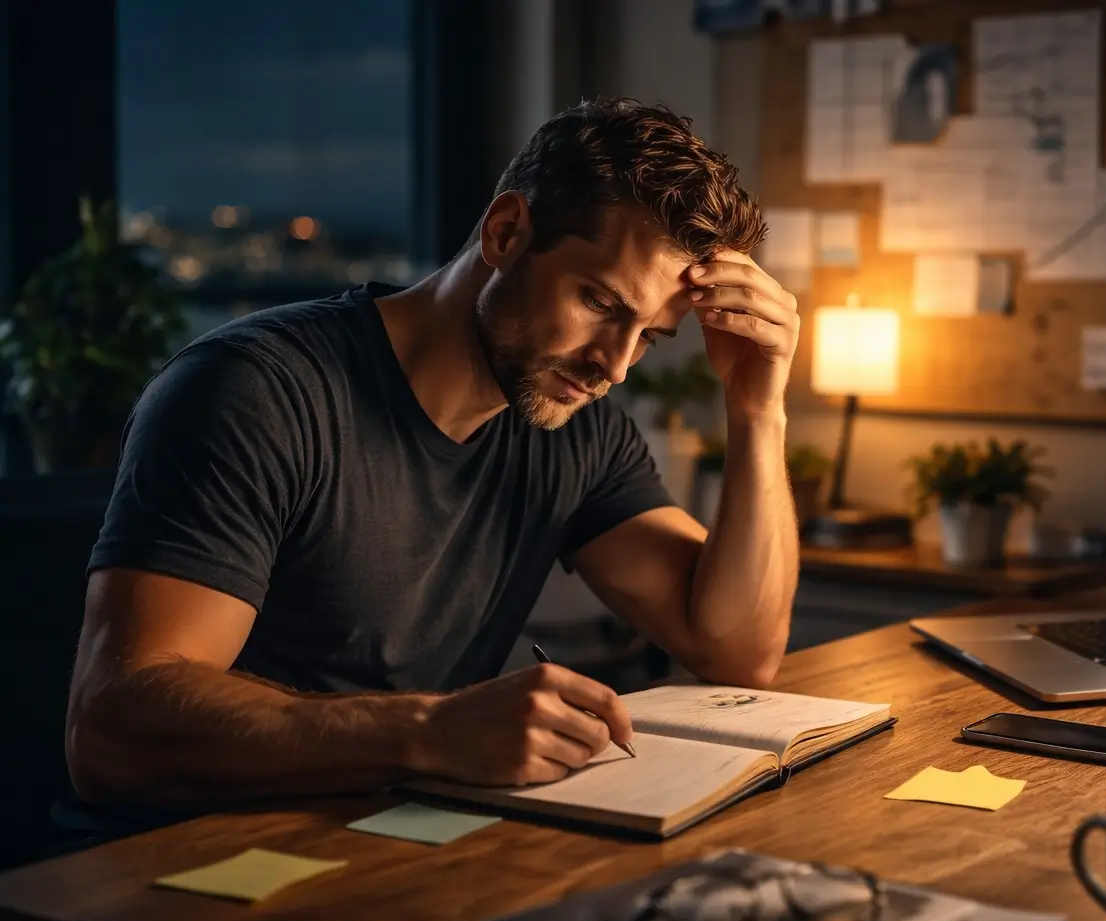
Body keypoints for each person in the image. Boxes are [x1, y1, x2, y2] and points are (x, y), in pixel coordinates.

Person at [63, 99, 800, 812]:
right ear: (506, 232)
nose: (615, 365)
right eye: (602, 305)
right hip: (187, 864)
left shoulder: (573, 422)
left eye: (650, 336)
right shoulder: (256, 392)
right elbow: (112, 726)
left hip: (400, 845)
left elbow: (735, 653)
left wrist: (758, 409)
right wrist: (430, 731)